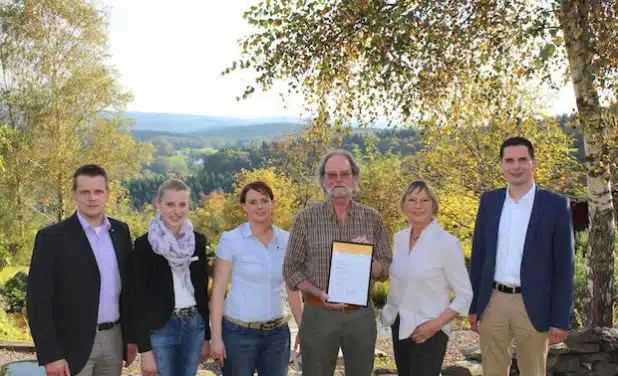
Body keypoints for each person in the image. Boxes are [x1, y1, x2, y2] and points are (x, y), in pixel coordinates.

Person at [468, 137, 575, 375]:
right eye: (509, 160)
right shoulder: (489, 201)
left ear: (533, 163)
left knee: (533, 371)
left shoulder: (556, 205)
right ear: (501, 165)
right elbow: (479, 257)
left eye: (522, 160)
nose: (516, 166)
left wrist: (560, 317)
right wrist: (474, 305)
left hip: (534, 304)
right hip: (493, 301)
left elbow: (565, 268)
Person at [283, 149, 393, 376]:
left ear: (354, 176)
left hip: (360, 316)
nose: (338, 180)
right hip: (318, 314)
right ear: (323, 180)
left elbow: (386, 267)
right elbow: (291, 269)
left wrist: (368, 259)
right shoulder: (306, 219)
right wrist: (318, 292)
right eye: (331, 175)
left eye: (344, 173)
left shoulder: (372, 218)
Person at [27, 164, 137, 376]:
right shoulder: (51, 238)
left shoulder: (121, 232)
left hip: (113, 340)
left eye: (98, 191)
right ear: (74, 194)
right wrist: (51, 355)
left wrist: (130, 339)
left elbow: (128, 291)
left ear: (107, 194)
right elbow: (37, 301)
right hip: (70, 344)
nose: (92, 198)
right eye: (85, 192)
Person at [210, 181, 303, 376]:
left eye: (264, 200)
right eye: (252, 202)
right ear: (244, 207)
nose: (259, 206)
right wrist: (216, 337)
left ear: (272, 203)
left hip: (277, 335)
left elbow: (293, 289)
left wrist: (302, 327)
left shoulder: (287, 240)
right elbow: (218, 291)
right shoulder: (231, 240)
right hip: (238, 334)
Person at [381, 180, 472, 376]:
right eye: (412, 200)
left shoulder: (447, 243)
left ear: (434, 206)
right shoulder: (399, 239)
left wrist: (435, 325)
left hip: (429, 330)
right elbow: (396, 277)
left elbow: (465, 294)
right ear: (403, 205)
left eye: (424, 200)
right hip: (400, 325)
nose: (417, 206)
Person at [131, 179, 211, 376]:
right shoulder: (144, 245)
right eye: (170, 204)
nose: (176, 210)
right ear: (158, 205)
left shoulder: (198, 241)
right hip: (161, 327)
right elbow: (136, 299)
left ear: (189, 206)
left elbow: (202, 291)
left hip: (194, 325)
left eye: (182, 204)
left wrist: (206, 337)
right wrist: (145, 350)